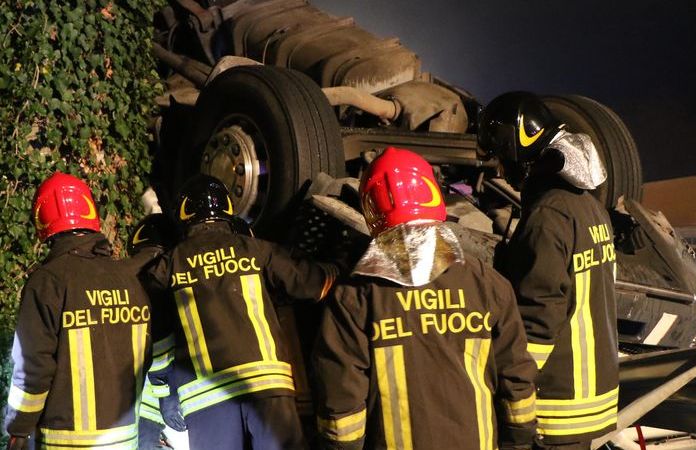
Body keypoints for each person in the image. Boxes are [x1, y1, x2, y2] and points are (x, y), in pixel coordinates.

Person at [313, 147, 537, 450]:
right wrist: (519, 442)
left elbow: (341, 397)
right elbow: (517, 378)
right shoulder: (488, 284)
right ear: (433, 195)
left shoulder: (356, 296)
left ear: (371, 209)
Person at [141, 174, 339, 450]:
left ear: (184, 213)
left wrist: (164, 390)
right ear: (228, 209)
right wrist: (339, 268)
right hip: (268, 387)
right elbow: (314, 283)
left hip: (206, 398)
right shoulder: (256, 250)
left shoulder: (168, 266)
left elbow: (157, 334)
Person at [478, 92, 619, 449]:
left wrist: (512, 389)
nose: (497, 169)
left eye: (499, 156)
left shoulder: (548, 216)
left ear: (517, 146)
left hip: (557, 402)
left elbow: (537, 318)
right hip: (594, 397)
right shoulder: (588, 206)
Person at [3, 172, 151, 449]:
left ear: (43, 220)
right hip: (125, 437)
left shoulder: (48, 282)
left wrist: (19, 428)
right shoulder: (129, 280)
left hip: (65, 440)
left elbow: (33, 365)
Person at [126, 213, 189, 450]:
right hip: (156, 409)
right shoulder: (165, 282)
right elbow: (160, 342)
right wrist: (167, 395)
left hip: (139, 409)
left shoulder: (128, 283)